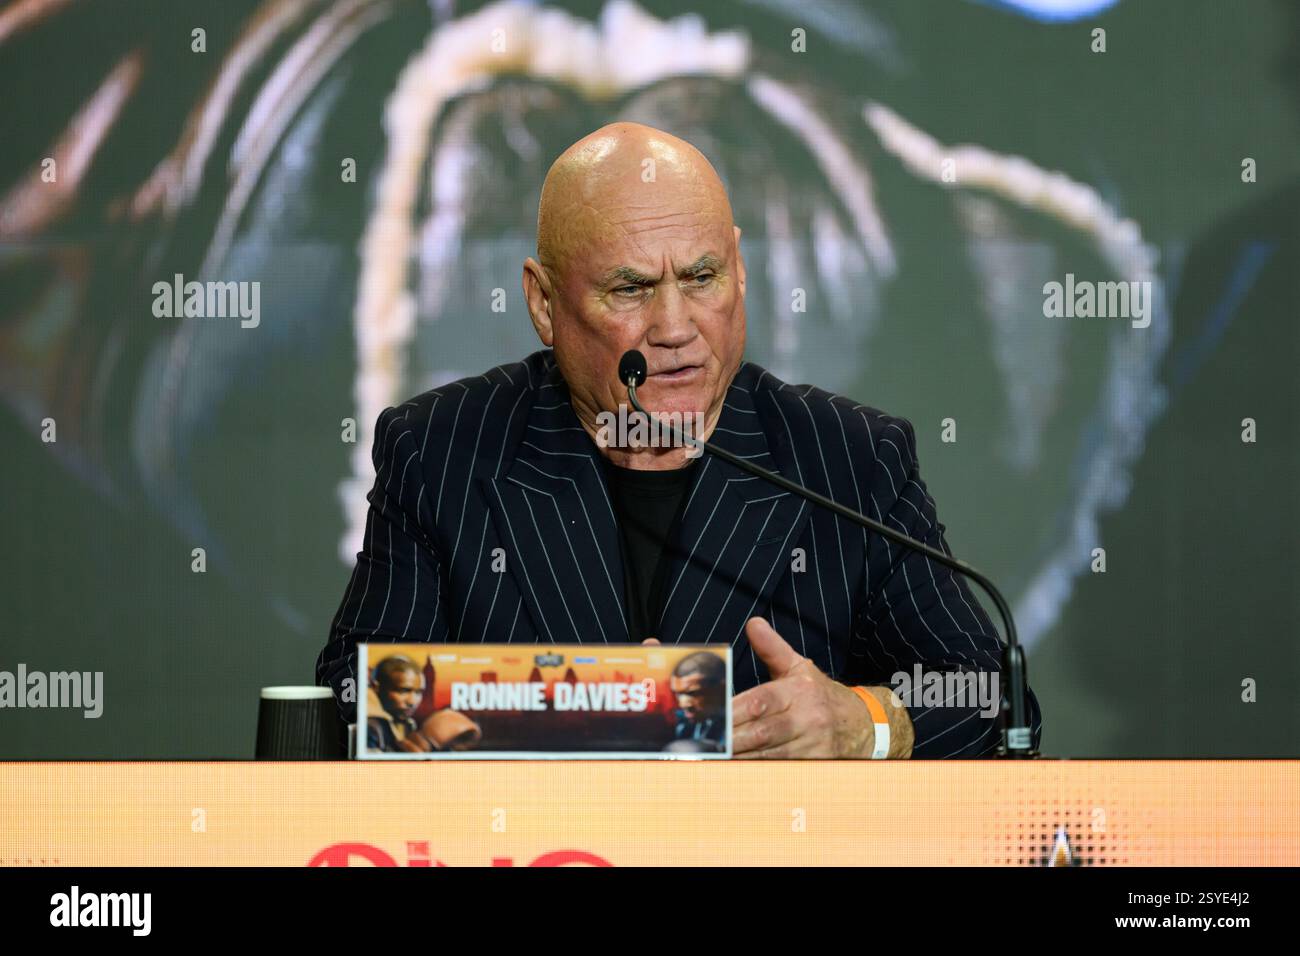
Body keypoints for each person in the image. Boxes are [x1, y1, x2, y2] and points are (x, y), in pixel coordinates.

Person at [318, 122, 1043, 758]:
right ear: (544, 303)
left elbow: (992, 700)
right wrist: (605, 712)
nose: (675, 328)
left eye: (702, 277)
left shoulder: (849, 460)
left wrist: (865, 721)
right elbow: (355, 703)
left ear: (739, 267)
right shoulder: (441, 451)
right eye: (630, 289)